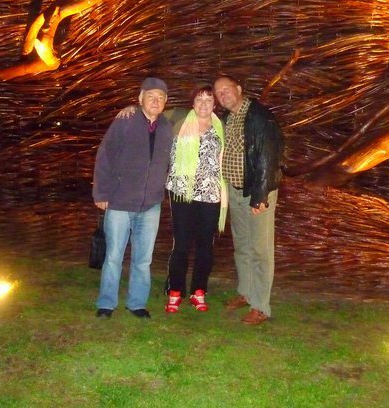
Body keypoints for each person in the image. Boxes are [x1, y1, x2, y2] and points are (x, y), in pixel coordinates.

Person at [92, 77, 173, 319]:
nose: (155, 101)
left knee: (143, 259)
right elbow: (105, 156)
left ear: (166, 101)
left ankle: (137, 303)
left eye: (160, 97)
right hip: (120, 201)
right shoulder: (124, 121)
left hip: (150, 205)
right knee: (113, 256)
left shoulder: (167, 126)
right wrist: (101, 193)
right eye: (150, 96)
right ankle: (106, 303)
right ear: (140, 99)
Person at [213, 75, 283, 326]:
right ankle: (246, 292)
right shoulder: (228, 118)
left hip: (256, 192)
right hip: (234, 190)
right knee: (242, 245)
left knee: (260, 250)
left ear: (239, 88)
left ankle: (261, 306)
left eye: (227, 89)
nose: (223, 95)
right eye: (219, 93)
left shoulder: (259, 116)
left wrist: (260, 195)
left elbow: (269, 156)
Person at [164, 85, 227, 313]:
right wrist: (131, 108)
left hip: (210, 193)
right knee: (181, 244)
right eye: (199, 99)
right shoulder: (178, 120)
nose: (203, 104)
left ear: (214, 105)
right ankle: (175, 290)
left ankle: (199, 290)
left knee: (205, 246)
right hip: (182, 191)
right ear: (192, 103)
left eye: (208, 100)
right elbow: (150, 112)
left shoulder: (221, 127)